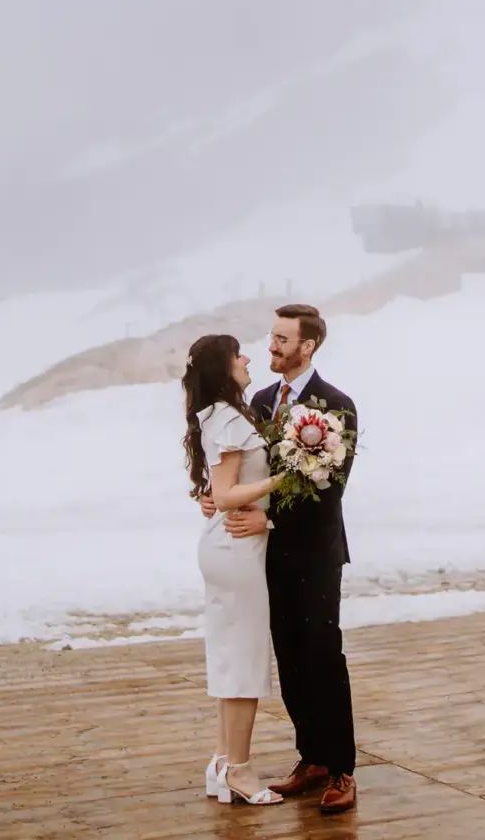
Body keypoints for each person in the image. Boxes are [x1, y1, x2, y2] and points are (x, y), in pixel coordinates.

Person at [217, 303, 360, 815]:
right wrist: (222, 496)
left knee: (323, 656)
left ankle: (342, 769)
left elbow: (330, 491)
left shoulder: (336, 404)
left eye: (282, 339)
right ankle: (312, 759)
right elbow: (250, 468)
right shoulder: (258, 400)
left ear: (308, 346)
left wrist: (270, 519)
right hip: (268, 556)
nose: (271, 346)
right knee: (291, 660)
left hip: (317, 554)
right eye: (271, 337)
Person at [182, 334, 285, 806]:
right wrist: (286, 478)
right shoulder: (228, 418)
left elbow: (218, 489)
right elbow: (224, 495)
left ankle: (223, 762)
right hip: (237, 547)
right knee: (244, 658)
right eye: (238, 354)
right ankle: (240, 772)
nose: (248, 359)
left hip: (224, 546)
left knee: (230, 653)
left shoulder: (220, 415)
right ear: (224, 369)